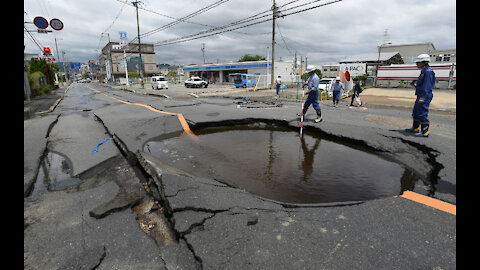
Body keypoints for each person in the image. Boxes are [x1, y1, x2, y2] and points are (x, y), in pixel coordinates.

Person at [405, 54, 435, 137]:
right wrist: (414, 84)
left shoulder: (428, 72)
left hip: (424, 96)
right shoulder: (424, 70)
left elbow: (427, 86)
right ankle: (415, 128)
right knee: (416, 113)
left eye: (418, 62)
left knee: (422, 113)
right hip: (421, 95)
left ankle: (425, 132)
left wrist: (423, 97)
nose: (416, 64)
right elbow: (421, 85)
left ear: (423, 62)